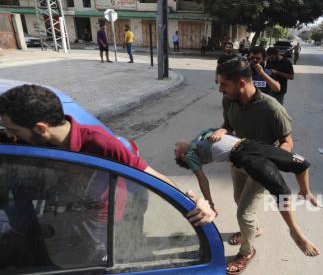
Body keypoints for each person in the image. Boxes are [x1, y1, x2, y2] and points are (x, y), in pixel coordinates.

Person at [0, 85, 216, 262]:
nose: (10, 137)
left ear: (40, 128)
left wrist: (192, 203)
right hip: (57, 220)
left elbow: (152, 176)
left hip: (94, 226)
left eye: (13, 131)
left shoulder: (100, 143)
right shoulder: (33, 142)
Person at [212, 58, 320, 274]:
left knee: (243, 213)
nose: (220, 89)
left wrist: (273, 158)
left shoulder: (272, 108)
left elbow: (287, 141)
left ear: (242, 83)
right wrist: (223, 130)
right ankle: (254, 229)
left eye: (224, 84)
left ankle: (247, 251)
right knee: (238, 199)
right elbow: (229, 124)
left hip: (260, 167)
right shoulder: (229, 100)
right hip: (237, 160)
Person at [174, 129, 320, 255]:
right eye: (175, 150)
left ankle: (304, 191)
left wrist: (222, 130)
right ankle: (295, 231)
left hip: (251, 144)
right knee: (280, 190)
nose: (175, 147)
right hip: (243, 156)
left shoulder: (200, 137)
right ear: (182, 156)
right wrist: (209, 202)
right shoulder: (191, 156)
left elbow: (225, 130)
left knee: (302, 163)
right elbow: (202, 179)